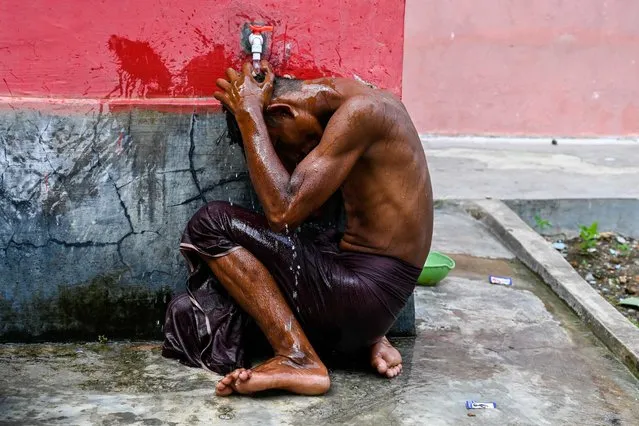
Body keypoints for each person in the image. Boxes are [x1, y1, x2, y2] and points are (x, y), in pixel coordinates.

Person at [163, 61, 433, 396]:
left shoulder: (363, 112)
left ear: (283, 111)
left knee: (210, 223)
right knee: (191, 311)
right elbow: (310, 216)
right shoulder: (360, 105)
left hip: (366, 295)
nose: (293, 157)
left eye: (280, 142)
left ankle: (297, 357)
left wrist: (250, 114)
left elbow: (283, 212)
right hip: (368, 298)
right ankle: (369, 339)